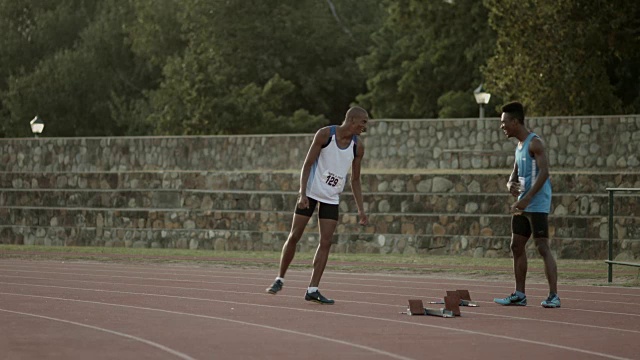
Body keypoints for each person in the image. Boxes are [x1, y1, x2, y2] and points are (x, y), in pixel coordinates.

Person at [265, 106, 369, 304]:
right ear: (353, 120)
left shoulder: (358, 147)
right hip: (311, 193)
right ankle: (280, 278)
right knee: (295, 235)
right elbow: (307, 164)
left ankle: (313, 289)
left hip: (331, 197)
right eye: (363, 122)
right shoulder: (325, 134)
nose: (365, 127)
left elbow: (355, 180)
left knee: (326, 242)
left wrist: (361, 209)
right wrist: (302, 193)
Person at [494, 101, 560, 308]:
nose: (502, 126)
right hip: (522, 205)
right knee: (516, 246)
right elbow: (514, 174)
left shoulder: (535, 143)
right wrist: (509, 185)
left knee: (542, 247)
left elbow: (544, 173)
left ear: (515, 122)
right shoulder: (519, 146)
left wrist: (528, 198)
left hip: (537, 204)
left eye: (504, 122)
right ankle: (520, 294)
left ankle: (554, 296)